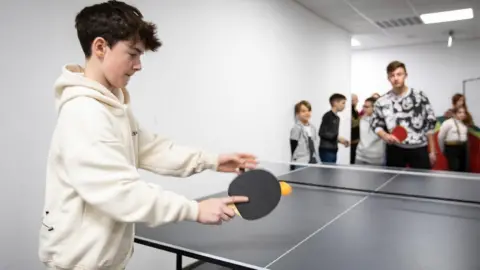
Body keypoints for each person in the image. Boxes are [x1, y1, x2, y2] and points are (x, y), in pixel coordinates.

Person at [38, 1, 257, 269]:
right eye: (133, 54)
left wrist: (212, 160)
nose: (139, 65)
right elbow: (120, 191)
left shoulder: (112, 105)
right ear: (100, 47)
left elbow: (152, 149)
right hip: (79, 263)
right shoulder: (84, 113)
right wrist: (195, 209)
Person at [370, 61, 437, 169]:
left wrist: (432, 151)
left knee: (422, 184)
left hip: (419, 149)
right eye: (392, 75)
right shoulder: (382, 101)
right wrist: (385, 136)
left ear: (405, 75)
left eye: (399, 74)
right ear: (388, 78)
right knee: (394, 184)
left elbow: (430, 124)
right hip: (395, 150)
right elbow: (376, 124)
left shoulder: (420, 96)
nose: (395, 78)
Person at [318, 93, 349, 164]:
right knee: (328, 173)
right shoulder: (327, 116)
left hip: (333, 150)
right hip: (326, 150)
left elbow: (331, 134)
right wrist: (338, 138)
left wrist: (342, 141)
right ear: (335, 103)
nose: (344, 105)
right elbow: (322, 133)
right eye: (343, 103)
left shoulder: (337, 118)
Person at [290, 100, 320, 169]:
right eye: (303, 111)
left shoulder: (313, 128)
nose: (307, 113)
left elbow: (314, 145)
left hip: (314, 161)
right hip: (301, 162)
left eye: (309, 111)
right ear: (297, 114)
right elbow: (293, 147)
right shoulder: (296, 128)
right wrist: (293, 162)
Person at [438, 106, 469, 172]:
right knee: (454, 168)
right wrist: (443, 149)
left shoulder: (463, 124)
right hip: (452, 148)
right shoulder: (447, 123)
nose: (462, 114)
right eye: (460, 112)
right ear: (454, 114)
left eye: (464, 112)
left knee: (463, 168)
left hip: (463, 147)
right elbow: (440, 137)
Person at [355, 97, 385, 166]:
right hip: (360, 155)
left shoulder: (382, 121)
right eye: (363, 106)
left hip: (375, 158)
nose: (364, 108)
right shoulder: (362, 119)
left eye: (366, 107)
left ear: (374, 108)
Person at [350, 94, 360, 164]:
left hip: (356, 141)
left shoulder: (356, 111)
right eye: (354, 100)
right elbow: (353, 124)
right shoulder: (349, 112)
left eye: (356, 100)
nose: (357, 101)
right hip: (351, 142)